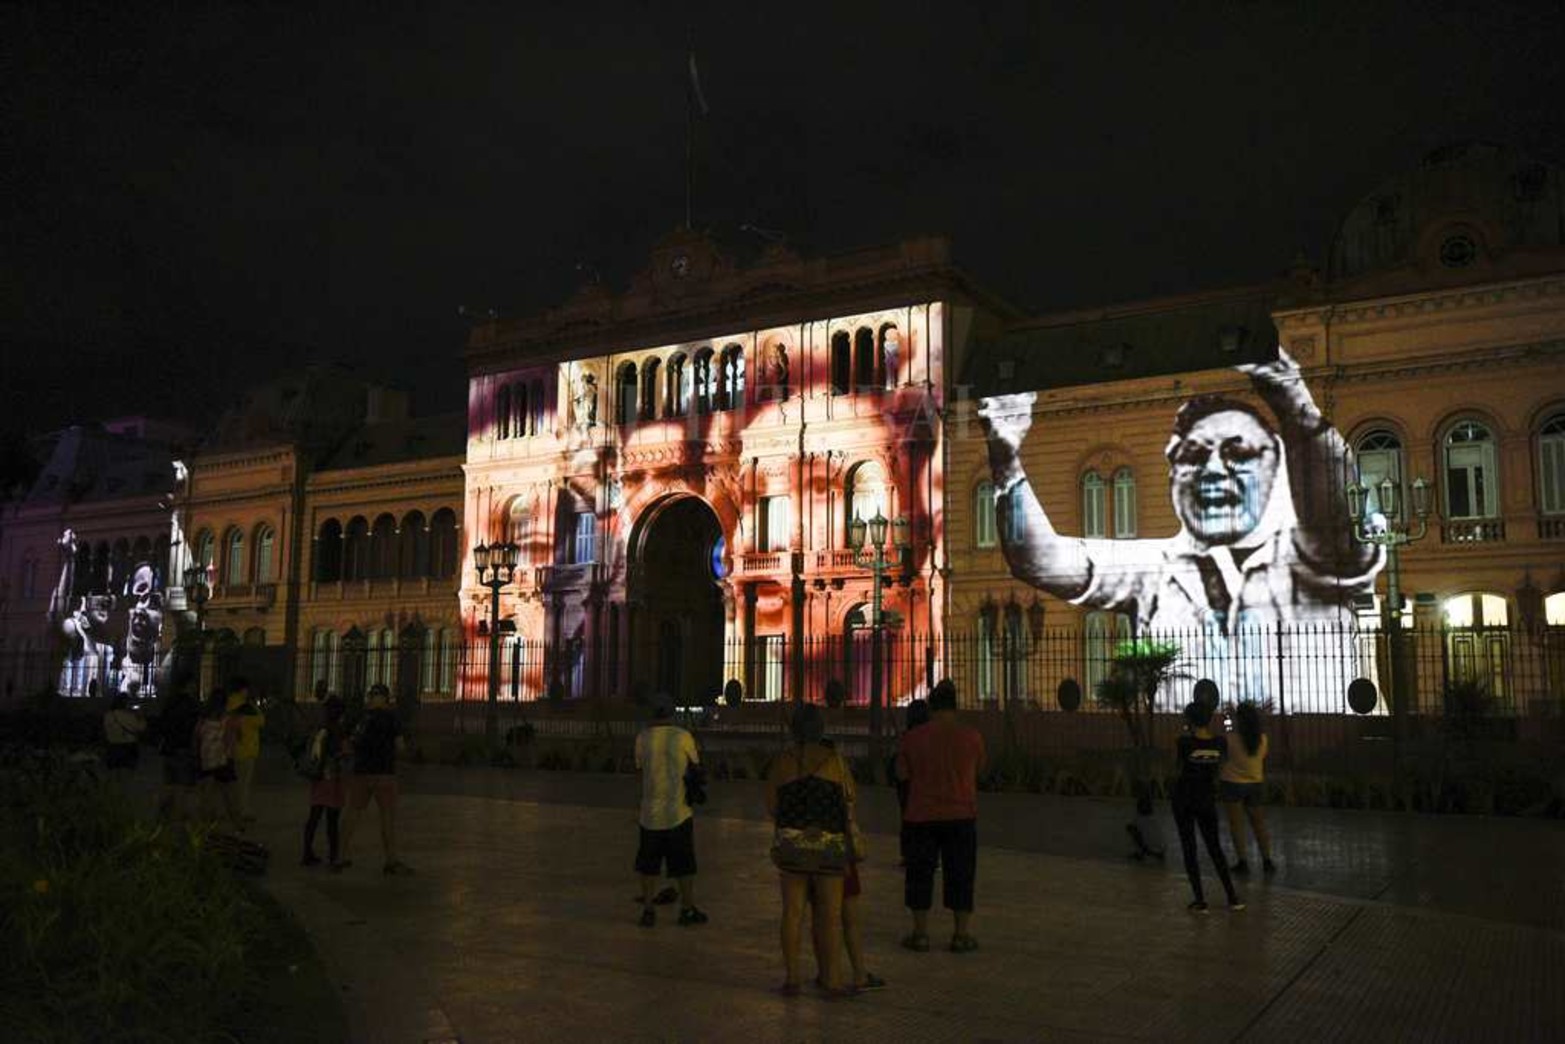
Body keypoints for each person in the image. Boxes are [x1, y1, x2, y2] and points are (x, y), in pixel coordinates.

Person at [977, 349, 1383, 708]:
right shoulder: (1152, 568)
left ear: (1278, 465)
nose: (1212, 470)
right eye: (1193, 456)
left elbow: (1333, 516)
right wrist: (1005, 457)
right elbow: (1038, 560)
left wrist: (1295, 405)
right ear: (1173, 476)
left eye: (1238, 452)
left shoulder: (1312, 559)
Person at [766, 703, 853, 995]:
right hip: (829, 848)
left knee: (792, 913)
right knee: (830, 915)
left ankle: (792, 978)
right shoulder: (836, 762)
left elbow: (771, 806)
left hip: (793, 848)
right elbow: (850, 800)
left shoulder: (783, 762)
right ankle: (832, 979)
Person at [896, 679, 985, 954]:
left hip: (921, 815)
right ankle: (961, 934)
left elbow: (901, 774)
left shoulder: (912, 739)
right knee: (961, 873)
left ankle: (920, 933)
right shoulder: (972, 737)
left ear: (932, 707)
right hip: (961, 815)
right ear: (955, 707)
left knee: (919, 874)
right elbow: (981, 770)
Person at [633, 693, 706, 927]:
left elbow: (639, 767)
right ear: (672, 713)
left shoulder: (643, 738)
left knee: (648, 865)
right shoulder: (683, 736)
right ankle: (687, 908)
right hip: (678, 811)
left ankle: (648, 909)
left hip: (650, 813)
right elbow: (695, 765)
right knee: (684, 865)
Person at [1172, 701, 1243, 912]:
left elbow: (1176, 768)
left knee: (1189, 848)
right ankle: (1232, 897)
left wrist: (1185, 733)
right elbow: (1222, 761)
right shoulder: (1219, 743)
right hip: (1207, 799)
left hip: (1184, 799)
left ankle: (1200, 900)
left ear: (1190, 720)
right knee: (1215, 848)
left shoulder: (1184, 743)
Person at [336, 683, 411, 875]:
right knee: (387, 817)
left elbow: (346, 742)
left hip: (361, 771)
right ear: (386, 699)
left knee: (352, 814)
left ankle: (340, 856)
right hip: (384, 773)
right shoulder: (391, 718)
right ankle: (391, 860)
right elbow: (400, 746)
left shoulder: (360, 717)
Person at [1222, 701, 1277, 875]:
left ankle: (1242, 862)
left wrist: (1229, 719)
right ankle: (1267, 860)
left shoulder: (1230, 739)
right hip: (1255, 784)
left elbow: (1224, 752)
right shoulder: (1262, 739)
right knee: (1259, 824)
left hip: (1232, 783)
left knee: (1237, 825)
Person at [302, 698, 347, 867]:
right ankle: (334, 857)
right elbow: (340, 753)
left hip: (319, 778)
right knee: (332, 821)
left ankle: (307, 852)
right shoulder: (337, 731)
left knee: (314, 816)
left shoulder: (321, 729)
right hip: (332, 778)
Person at [889, 699, 931, 866]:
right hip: (926, 785)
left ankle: (908, 854)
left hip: (908, 785)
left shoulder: (907, 738)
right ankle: (927, 853)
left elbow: (900, 769)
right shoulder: (930, 737)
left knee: (907, 819)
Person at [195, 688, 243, 831]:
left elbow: (196, 738)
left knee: (207, 796)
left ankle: (206, 825)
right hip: (223, 760)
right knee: (230, 795)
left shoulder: (203, 719)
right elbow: (233, 738)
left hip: (206, 759)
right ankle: (237, 824)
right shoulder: (228, 718)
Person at [155, 686, 202, 820]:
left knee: (169, 783)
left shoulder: (169, 707)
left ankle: (164, 811)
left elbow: (161, 727)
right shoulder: (190, 710)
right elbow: (194, 732)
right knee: (181, 785)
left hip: (169, 748)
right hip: (183, 749)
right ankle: (177, 814)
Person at [225, 678, 265, 823]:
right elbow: (260, 721)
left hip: (232, 749)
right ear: (243, 689)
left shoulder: (228, 704)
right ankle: (241, 811)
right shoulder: (245, 707)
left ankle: (235, 809)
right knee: (243, 784)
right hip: (246, 749)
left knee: (235, 784)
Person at [102, 692, 146, 771]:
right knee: (128, 774)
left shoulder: (109, 715)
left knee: (113, 773)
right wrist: (141, 717)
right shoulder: (130, 716)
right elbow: (141, 728)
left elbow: (105, 729)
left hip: (112, 746)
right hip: (129, 746)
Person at [1125, 780, 1166, 862]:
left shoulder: (1140, 819)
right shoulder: (1151, 818)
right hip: (1160, 848)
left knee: (1132, 828)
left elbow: (1132, 828)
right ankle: (1142, 851)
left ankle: (1141, 852)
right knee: (1134, 827)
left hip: (1152, 849)